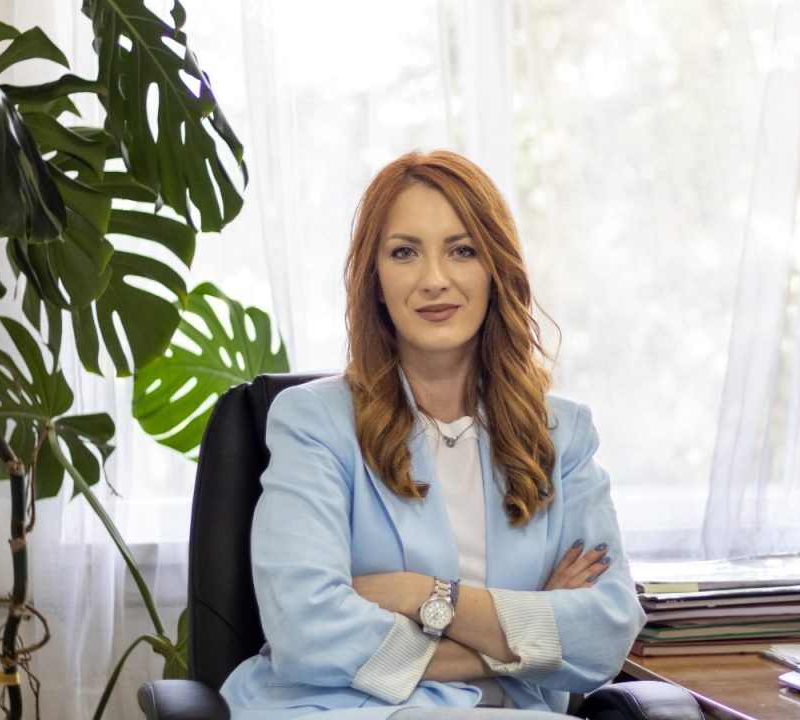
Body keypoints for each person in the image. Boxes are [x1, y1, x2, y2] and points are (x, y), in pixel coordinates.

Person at [220, 150, 645, 719]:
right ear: (374, 280)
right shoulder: (313, 421)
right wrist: (528, 632)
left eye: (462, 250)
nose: (434, 280)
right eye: (404, 252)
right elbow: (306, 631)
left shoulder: (563, 436)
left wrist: (420, 593)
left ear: (496, 270)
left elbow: (606, 632)